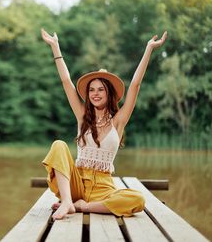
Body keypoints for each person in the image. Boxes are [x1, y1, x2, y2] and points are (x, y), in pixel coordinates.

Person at [40, 28, 167, 220]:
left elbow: (135, 85)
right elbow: (67, 82)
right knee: (58, 145)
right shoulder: (82, 116)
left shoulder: (118, 121)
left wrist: (149, 48)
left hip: (103, 190)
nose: (95, 93)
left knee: (137, 199)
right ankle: (68, 202)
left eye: (100, 89)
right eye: (92, 90)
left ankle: (83, 207)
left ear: (109, 94)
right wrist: (55, 47)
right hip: (76, 185)